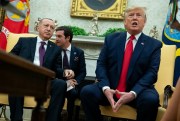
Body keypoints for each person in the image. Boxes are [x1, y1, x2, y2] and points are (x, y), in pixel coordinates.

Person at [80, 6, 162, 121]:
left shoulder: (154, 45)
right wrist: (106, 88)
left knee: (150, 100)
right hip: (111, 89)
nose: (135, 18)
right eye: (130, 15)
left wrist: (133, 93)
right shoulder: (111, 39)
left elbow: (152, 72)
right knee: (87, 91)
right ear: (124, 22)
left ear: (144, 22)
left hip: (138, 91)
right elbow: (101, 64)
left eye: (138, 15)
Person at [8, 18, 70, 121]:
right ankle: (16, 119)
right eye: (46, 26)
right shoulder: (24, 42)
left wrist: (65, 71)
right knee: (16, 81)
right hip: (24, 77)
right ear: (38, 27)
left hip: (44, 80)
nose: (49, 29)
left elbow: (56, 69)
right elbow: (11, 57)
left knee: (60, 84)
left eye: (52, 28)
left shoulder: (56, 49)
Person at [55, 26, 86, 121]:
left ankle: (69, 117)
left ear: (68, 38)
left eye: (59, 36)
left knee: (73, 93)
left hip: (72, 83)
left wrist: (75, 81)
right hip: (57, 81)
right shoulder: (53, 50)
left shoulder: (79, 52)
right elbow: (53, 68)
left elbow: (82, 71)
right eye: (56, 36)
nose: (56, 39)